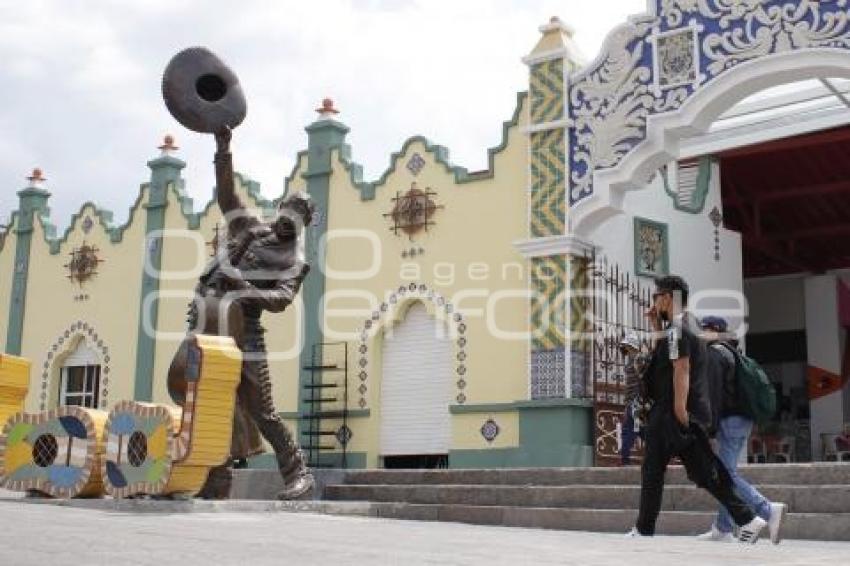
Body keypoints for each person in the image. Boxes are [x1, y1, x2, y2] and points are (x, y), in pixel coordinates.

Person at [193, 126, 315, 500]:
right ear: (279, 209)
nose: (284, 223)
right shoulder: (249, 228)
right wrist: (223, 148)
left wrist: (244, 288)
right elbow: (227, 195)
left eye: (293, 221)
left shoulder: (294, 260)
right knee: (211, 398)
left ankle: (299, 474)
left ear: (303, 225)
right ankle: (217, 478)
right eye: (284, 214)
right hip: (211, 321)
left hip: (247, 331)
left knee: (261, 409)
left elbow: (280, 298)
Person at [627, 275, 766, 543]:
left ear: (667, 297)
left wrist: (679, 412)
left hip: (671, 412)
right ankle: (749, 519)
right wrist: (656, 324)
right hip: (682, 412)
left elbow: (682, 369)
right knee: (704, 472)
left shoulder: (678, 329)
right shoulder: (685, 326)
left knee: (655, 471)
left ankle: (643, 531)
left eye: (656, 296)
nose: (654, 301)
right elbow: (667, 362)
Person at [697, 316, 787, 544]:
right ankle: (723, 527)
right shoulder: (733, 352)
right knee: (727, 473)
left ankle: (767, 510)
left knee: (726, 476)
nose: (700, 333)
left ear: (714, 330)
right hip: (742, 420)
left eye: (704, 329)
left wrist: (708, 428)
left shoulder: (715, 353)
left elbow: (714, 395)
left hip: (729, 420)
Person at [620, 331, 650, 465]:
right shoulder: (639, 359)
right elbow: (646, 377)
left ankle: (625, 460)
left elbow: (628, 388)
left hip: (632, 404)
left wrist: (627, 405)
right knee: (643, 432)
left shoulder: (629, 363)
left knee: (632, 431)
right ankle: (651, 460)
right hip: (638, 403)